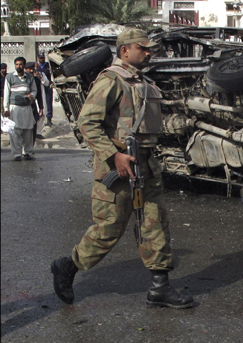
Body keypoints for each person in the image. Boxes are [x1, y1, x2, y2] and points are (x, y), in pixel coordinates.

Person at [51, 28, 193, 309]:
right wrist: (113, 155)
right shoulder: (111, 80)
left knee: (155, 224)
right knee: (109, 229)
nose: (149, 52)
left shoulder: (144, 83)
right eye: (144, 48)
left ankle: (159, 287)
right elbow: (86, 124)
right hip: (118, 166)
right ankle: (67, 265)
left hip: (145, 165)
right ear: (125, 50)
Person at [3, 57, 37, 161]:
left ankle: (27, 152)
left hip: (26, 108)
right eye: (17, 64)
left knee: (27, 131)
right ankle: (17, 154)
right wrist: (6, 108)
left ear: (24, 65)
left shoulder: (30, 77)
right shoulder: (9, 77)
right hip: (15, 108)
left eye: (21, 64)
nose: (19, 66)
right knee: (15, 131)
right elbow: (6, 94)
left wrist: (32, 95)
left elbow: (34, 90)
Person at [24, 62, 44, 144]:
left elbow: (39, 95)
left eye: (32, 68)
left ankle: (30, 146)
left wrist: (41, 107)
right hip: (22, 106)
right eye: (29, 69)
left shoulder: (36, 80)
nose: (31, 70)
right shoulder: (21, 80)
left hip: (32, 105)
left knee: (33, 125)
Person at [37, 53, 54, 127]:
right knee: (40, 104)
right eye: (40, 58)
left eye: (42, 58)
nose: (41, 59)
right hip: (39, 87)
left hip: (48, 87)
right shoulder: (36, 67)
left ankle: (49, 120)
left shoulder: (48, 66)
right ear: (38, 58)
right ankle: (40, 121)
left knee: (49, 103)